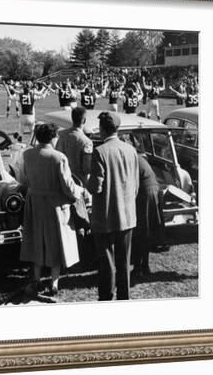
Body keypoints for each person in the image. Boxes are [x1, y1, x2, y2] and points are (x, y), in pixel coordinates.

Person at [19, 123, 84, 297]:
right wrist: (80, 191)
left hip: (34, 203)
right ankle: (54, 282)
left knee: (37, 242)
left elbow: (24, 178)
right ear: (53, 137)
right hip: (54, 205)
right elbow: (68, 186)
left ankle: (37, 278)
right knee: (56, 243)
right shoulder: (59, 157)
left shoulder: (27, 154)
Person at [87, 111, 139, 300]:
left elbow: (96, 187)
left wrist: (87, 181)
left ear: (102, 129)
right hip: (127, 215)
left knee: (107, 261)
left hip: (106, 216)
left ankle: (107, 297)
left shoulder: (100, 151)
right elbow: (135, 184)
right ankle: (124, 296)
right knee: (124, 261)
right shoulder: (130, 149)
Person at [132, 152, 165, 277]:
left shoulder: (131, 157)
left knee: (140, 231)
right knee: (144, 230)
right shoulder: (137, 157)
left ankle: (140, 267)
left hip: (145, 192)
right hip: (151, 191)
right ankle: (142, 266)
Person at [56, 107, 93, 185]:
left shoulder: (62, 135)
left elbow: (57, 157)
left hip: (62, 181)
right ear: (84, 120)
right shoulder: (86, 142)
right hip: (80, 183)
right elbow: (87, 168)